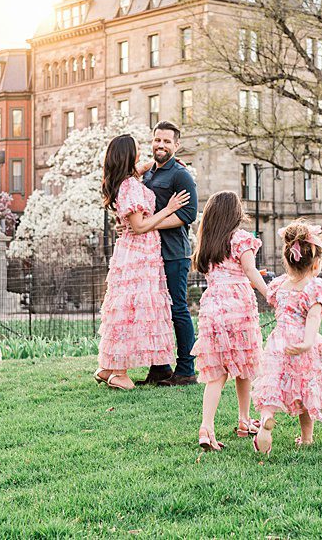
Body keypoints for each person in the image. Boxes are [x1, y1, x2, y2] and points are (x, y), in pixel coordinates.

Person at [93, 134, 190, 391]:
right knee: (131, 311)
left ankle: (109, 368)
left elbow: (139, 170)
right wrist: (168, 209)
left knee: (124, 309)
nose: (140, 153)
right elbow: (139, 226)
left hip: (130, 252)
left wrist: (162, 162)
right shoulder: (131, 186)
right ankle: (119, 374)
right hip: (138, 254)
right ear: (128, 155)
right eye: (136, 150)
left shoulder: (123, 181)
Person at [252, 219, 322, 454]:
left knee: (274, 384)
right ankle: (306, 438)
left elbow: (269, 295)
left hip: (279, 342)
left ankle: (266, 420)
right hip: (303, 343)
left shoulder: (280, 286)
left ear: (287, 260)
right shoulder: (314, 288)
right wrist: (306, 342)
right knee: (306, 389)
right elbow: (313, 319)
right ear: (316, 264)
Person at [189, 191, 269, 450]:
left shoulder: (208, 243)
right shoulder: (241, 239)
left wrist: (251, 275)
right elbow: (248, 270)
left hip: (213, 308)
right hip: (238, 309)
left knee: (217, 374)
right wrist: (269, 292)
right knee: (244, 364)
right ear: (235, 213)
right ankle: (244, 418)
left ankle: (208, 426)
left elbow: (233, 272)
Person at [140, 121, 199, 386]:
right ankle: (160, 367)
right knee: (155, 311)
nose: (160, 145)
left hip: (174, 254)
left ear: (176, 145)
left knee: (177, 310)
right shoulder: (148, 174)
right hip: (150, 255)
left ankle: (186, 370)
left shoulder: (180, 174)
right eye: (157, 140)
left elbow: (188, 214)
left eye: (166, 141)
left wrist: (148, 226)